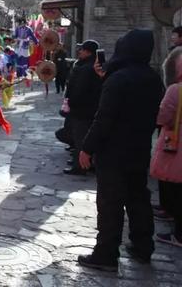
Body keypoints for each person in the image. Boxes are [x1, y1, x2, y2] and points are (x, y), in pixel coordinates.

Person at [77, 29, 164, 271]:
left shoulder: (119, 79)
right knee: (138, 199)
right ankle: (142, 246)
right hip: (139, 149)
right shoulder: (153, 78)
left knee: (110, 204)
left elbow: (104, 117)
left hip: (113, 152)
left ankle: (106, 254)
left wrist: (87, 148)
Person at [151, 46, 182, 246]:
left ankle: (178, 233)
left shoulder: (176, 89)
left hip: (176, 141)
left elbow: (163, 116)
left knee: (176, 188)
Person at [63, 40, 103, 175]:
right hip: (88, 109)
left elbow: (79, 91)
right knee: (82, 137)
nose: (79, 51)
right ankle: (83, 162)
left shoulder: (87, 68)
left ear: (89, 52)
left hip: (83, 109)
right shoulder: (89, 65)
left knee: (80, 138)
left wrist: (72, 103)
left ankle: (80, 166)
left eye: (82, 50)